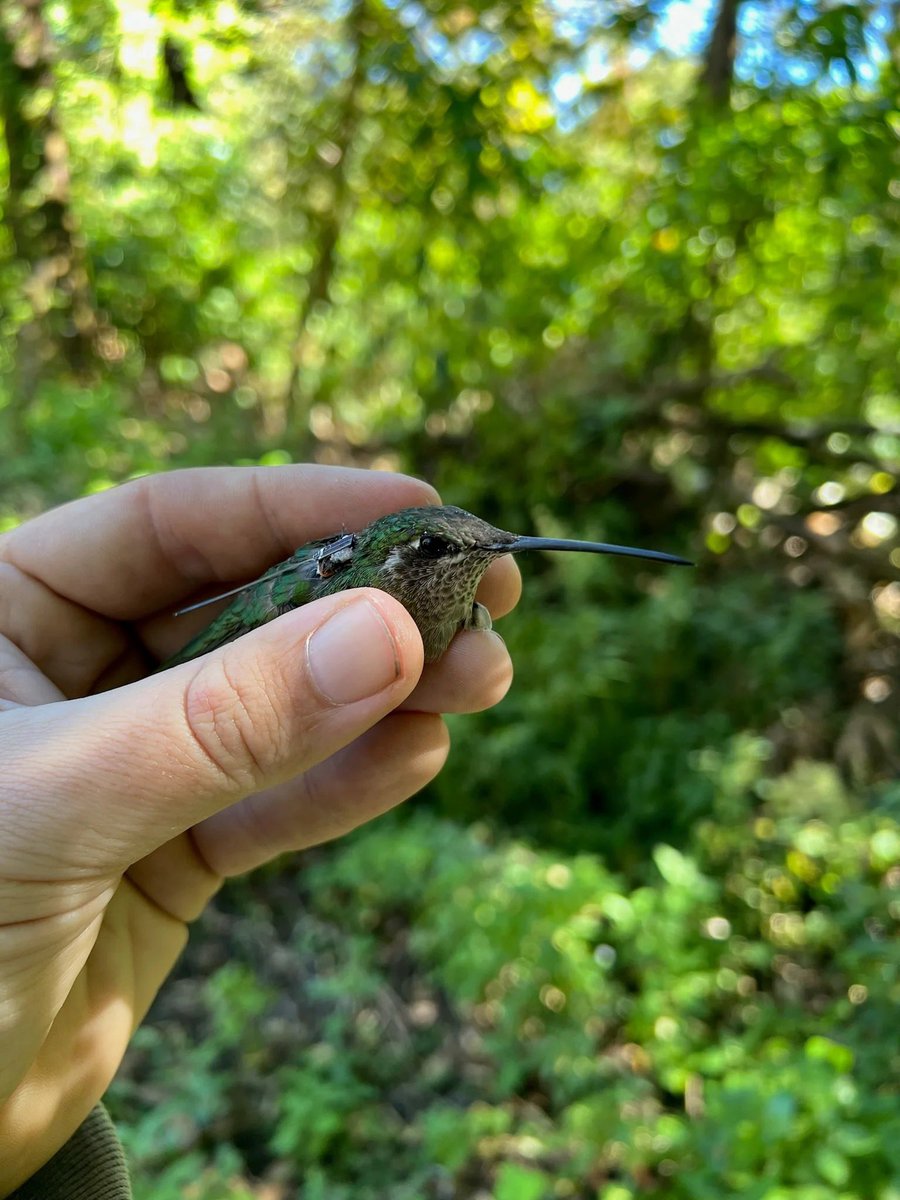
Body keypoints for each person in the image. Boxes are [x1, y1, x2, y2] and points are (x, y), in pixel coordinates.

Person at [0, 465, 519, 1199]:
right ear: (404, 561)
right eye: (440, 550)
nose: (465, 562)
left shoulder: (450, 591)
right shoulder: (352, 593)